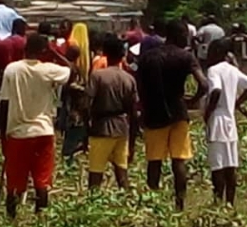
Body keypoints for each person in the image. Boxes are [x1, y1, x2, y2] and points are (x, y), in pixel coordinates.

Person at [0, 33, 72, 217]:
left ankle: (11, 219)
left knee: (14, 180)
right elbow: (72, 70)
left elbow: (4, 105)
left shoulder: (12, 69)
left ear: (25, 49)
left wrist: (2, 135)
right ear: (44, 51)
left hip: (17, 132)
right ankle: (41, 217)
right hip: (43, 131)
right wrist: (55, 53)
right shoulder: (49, 70)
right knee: (42, 179)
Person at [137, 20, 208, 210]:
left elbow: (139, 86)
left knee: (154, 161)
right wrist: (192, 101)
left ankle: (153, 204)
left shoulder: (147, 57)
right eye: (185, 34)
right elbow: (204, 85)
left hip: (154, 113)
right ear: (178, 35)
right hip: (178, 112)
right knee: (179, 160)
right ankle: (180, 204)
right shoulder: (186, 57)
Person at [204, 38, 247, 206]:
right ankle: (230, 203)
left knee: (217, 165)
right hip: (230, 120)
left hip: (217, 118)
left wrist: (208, 112)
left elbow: (216, 90)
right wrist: (237, 103)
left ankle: (218, 201)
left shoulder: (213, 70)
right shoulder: (232, 70)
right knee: (230, 164)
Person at [86, 34, 137, 190]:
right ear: (122, 55)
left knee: (96, 174)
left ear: (105, 54)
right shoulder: (128, 79)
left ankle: (92, 205)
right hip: (122, 128)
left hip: (102, 128)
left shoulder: (97, 76)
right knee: (122, 172)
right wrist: (133, 139)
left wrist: (86, 127)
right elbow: (133, 111)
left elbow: (86, 103)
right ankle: (126, 204)